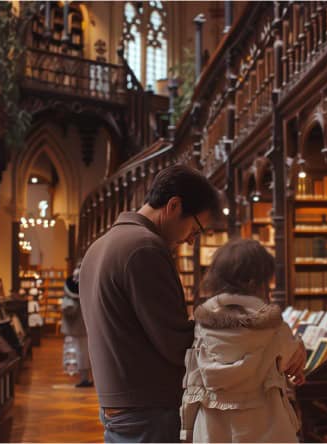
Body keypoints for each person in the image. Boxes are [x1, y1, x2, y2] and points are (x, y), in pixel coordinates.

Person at [79, 165, 222, 443]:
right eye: (195, 228)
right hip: (148, 407)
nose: (191, 239)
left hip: (121, 403)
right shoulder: (144, 248)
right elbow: (175, 341)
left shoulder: (99, 246)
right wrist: (233, 331)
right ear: (173, 206)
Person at [180, 239, 307, 443]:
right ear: (256, 281)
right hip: (266, 425)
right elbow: (291, 362)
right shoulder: (273, 325)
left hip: (213, 429)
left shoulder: (202, 324)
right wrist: (299, 347)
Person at [61, 266, 93, 388]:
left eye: (78, 276)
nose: (75, 279)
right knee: (81, 353)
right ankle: (84, 378)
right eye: (74, 276)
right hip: (80, 328)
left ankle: (85, 379)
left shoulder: (77, 294)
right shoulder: (82, 292)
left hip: (81, 328)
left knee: (82, 354)